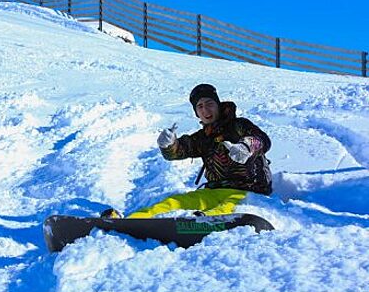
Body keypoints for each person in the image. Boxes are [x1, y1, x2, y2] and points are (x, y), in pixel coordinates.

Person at [103, 83, 272, 219]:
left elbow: (262, 139)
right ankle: (132, 221)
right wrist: (169, 145)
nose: (205, 110)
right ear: (197, 113)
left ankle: (203, 221)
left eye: (210, 104)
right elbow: (179, 151)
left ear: (218, 105)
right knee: (173, 203)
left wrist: (247, 146)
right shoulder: (203, 137)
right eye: (200, 106)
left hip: (250, 191)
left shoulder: (238, 125)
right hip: (214, 191)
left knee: (226, 209)